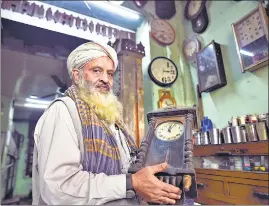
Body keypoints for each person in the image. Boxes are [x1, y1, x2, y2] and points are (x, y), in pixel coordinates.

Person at [32, 42, 190, 205]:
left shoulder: (112, 122)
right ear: (77, 75)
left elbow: (127, 169)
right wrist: (131, 183)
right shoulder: (63, 111)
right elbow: (58, 188)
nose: (105, 80)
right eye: (96, 71)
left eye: (110, 73)